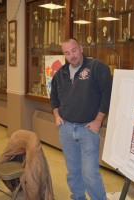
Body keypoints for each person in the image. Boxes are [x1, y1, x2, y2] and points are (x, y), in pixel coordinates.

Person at [50, 38, 112, 200]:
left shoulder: (96, 68)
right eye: (67, 53)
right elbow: (54, 98)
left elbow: (108, 94)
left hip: (88, 130)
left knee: (90, 173)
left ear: (81, 48)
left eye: (74, 50)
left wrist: (98, 120)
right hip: (66, 129)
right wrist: (57, 116)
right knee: (73, 171)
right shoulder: (60, 74)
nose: (72, 56)